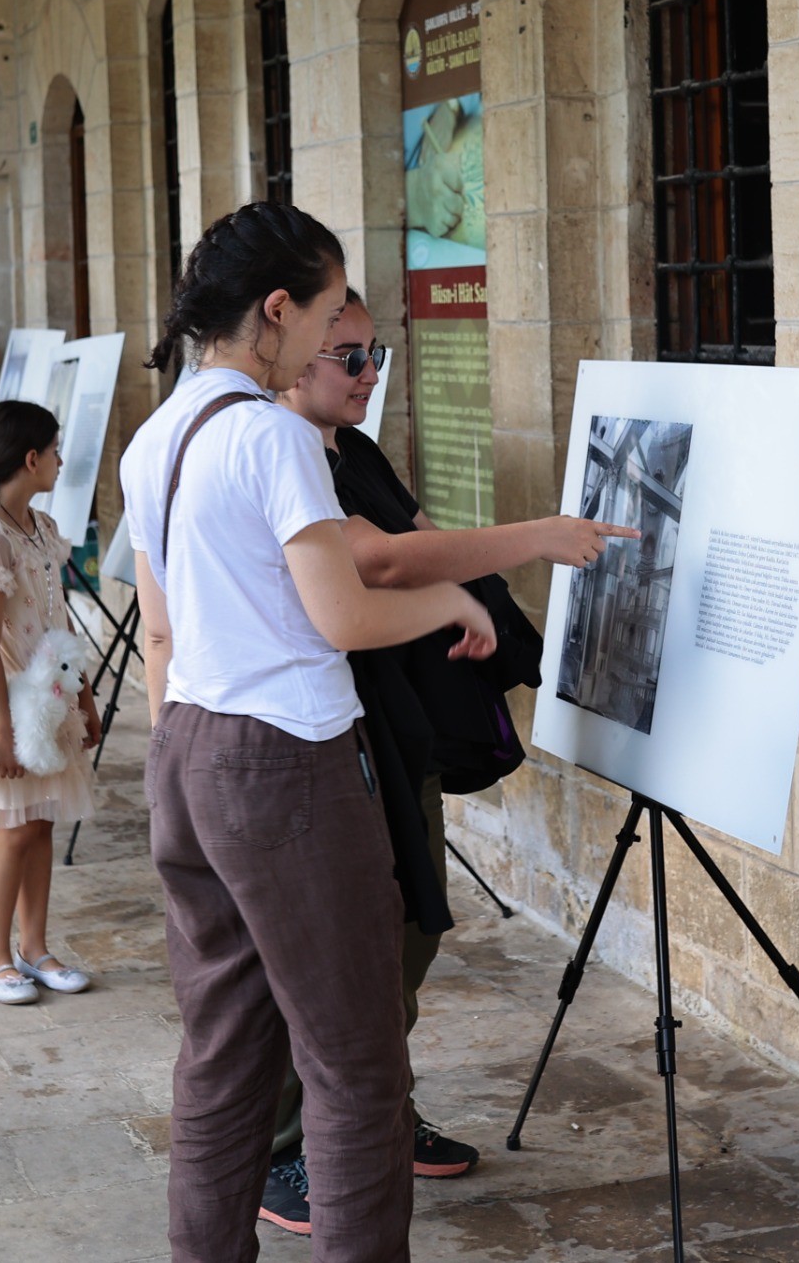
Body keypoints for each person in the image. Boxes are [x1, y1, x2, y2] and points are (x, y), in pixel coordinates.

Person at [119, 200, 497, 1263]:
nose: (340, 336)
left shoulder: (157, 438)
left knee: (223, 1057)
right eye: (331, 310)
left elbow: (160, 623)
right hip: (282, 762)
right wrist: (453, 603)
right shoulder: (273, 434)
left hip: (190, 746)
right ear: (275, 309)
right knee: (354, 1064)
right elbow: (343, 614)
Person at [258, 289, 632, 1233]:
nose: (368, 373)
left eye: (374, 353)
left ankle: (375, 1112)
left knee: (411, 924)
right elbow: (380, 564)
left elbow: (418, 542)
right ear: (295, 350)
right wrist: (540, 537)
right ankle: (287, 1150)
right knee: (336, 953)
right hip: (333, 732)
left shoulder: (356, 449)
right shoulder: (282, 451)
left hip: (404, 720)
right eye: (350, 356)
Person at [0, 400, 101, 1004]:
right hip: (12, 708)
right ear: (31, 458)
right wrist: (4, 732)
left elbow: (60, 622)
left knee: (40, 823)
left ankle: (35, 948)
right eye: (55, 450)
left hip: (51, 702)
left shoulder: (41, 528)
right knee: (13, 828)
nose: (62, 460)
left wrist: (85, 698)